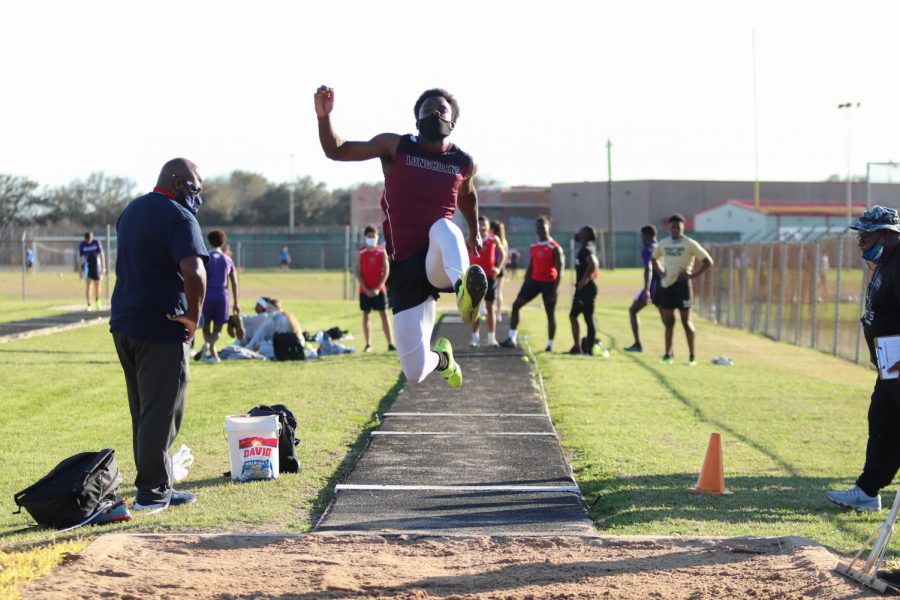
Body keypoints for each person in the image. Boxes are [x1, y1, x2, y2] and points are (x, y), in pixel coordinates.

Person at [314, 85, 488, 388]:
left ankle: (464, 291)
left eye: (441, 110)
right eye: (428, 109)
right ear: (416, 118)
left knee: (443, 227)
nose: (434, 112)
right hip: (404, 266)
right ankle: (443, 359)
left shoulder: (463, 162)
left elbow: (468, 196)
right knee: (415, 370)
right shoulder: (395, 147)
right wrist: (323, 118)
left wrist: (473, 231)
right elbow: (337, 150)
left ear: (453, 122)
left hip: (438, 260)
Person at [110, 157, 208, 512]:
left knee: (143, 411)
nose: (198, 195)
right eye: (195, 187)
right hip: (160, 327)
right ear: (179, 181)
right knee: (163, 411)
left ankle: (159, 482)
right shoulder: (180, 217)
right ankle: (152, 493)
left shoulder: (132, 210)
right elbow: (195, 271)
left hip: (124, 323)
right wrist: (194, 317)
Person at [827, 206, 900, 514]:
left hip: (897, 364)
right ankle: (868, 491)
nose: (860, 241)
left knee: (888, 423)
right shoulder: (886, 262)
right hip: (889, 365)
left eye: (866, 235)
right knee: (883, 422)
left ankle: (868, 489)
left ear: (888, 234)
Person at [651, 214, 713, 366]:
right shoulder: (664, 243)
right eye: (672, 227)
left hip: (682, 286)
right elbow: (654, 258)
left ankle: (692, 356)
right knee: (668, 323)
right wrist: (660, 272)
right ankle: (668, 355)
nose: (675, 230)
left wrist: (692, 275)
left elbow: (708, 261)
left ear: (683, 228)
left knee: (686, 322)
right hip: (666, 286)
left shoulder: (689, 243)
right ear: (669, 228)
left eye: (678, 227)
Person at [501, 215, 564, 352]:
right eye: (538, 226)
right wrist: (525, 282)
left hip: (549, 284)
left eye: (543, 226)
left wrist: (555, 289)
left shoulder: (555, 248)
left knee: (550, 314)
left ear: (549, 227)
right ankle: (512, 338)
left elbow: (560, 270)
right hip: (533, 282)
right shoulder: (534, 246)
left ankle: (550, 345)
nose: (541, 229)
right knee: (516, 305)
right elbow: (531, 265)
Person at [195, 230, 239, 364]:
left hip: (207, 295)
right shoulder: (228, 259)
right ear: (223, 242)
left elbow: (199, 278)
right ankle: (213, 355)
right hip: (222, 296)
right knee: (218, 330)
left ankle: (207, 347)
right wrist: (236, 302)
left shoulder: (205, 258)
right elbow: (234, 282)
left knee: (206, 326)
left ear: (208, 242)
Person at [356, 225, 395, 352]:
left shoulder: (381, 251)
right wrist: (366, 288)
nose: (372, 239)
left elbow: (386, 270)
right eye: (369, 237)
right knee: (366, 316)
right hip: (364, 290)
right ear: (365, 237)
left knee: (384, 315)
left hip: (380, 290)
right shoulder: (361, 252)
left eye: (374, 236)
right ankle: (368, 344)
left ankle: (390, 344)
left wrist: (378, 287)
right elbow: (357, 272)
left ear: (377, 237)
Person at [470, 215, 507, 346]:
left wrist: (498, 268)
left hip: (490, 277)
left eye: (484, 224)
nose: (482, 227)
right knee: (475, 307)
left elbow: (503, 254)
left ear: (488, 226)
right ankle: (475, 338)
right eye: (479, 224)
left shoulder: (493, 239)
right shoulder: (471, 239)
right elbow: (463, 253)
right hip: (475, 278)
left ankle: (492, 338)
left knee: (490, 306)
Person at [624, 225, 660, 352]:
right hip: (665, 285)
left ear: (647, 235)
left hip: (653, 285)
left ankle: (637, 344)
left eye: (642, 236)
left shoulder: (648, 249)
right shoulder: (660, 246)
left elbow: (649, 268)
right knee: (666, 319)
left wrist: (646, 289)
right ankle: (669, 351)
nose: (641, 238)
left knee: (633, 311)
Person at [569, 226, 599, 355]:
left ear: (585, 235)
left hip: (586, 289)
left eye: (580, 231)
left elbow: (593, 263)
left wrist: (584, 280)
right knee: (574, 315)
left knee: (586, 318)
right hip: (583, 289)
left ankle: (588, 349)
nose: (578, 233)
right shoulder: (585, 247)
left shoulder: (586, 248)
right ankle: (578, 347)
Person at [79, 231, 105, 311]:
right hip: (87, 267)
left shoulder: (96, 242)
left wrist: (103, 267)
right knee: (88, 286)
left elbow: (102, 254)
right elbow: (80, 258)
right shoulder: (82, 245)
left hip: (97, 266)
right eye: (88, 239)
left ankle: (97, 301)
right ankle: (89, 304)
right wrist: (80, 270)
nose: (90, 240)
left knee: (97, 285)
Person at [490, 220, 509, 322]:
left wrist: (499, 268)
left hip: (495, 268)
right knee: (498, 292)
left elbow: (504, 256)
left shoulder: (494, 240)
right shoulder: (503, 241)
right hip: (499, 268)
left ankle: (497, 313)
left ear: (492, 229)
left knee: (494, 292)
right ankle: (498, 314)